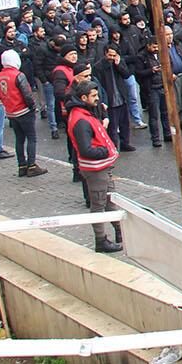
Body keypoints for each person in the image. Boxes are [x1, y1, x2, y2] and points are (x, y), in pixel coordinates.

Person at [66, 80, 122, 253]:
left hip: (102, 168)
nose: (97, 99)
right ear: (83, 98)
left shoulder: (84, 114)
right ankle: (101, 240)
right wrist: (104, 152)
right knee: (98, 204)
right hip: (96, 169)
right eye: (94, 96)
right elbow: (85, 149)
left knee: (110, 199)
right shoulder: (80, 120)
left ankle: (120, 232)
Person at [0, 49, 44, 178]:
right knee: (31, 138)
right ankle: (32, 165)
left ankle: (21, 165)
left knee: (19, 139)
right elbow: (27, 94)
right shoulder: (18, 75)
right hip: (23, 110)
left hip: (11, 111)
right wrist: (33, 107)